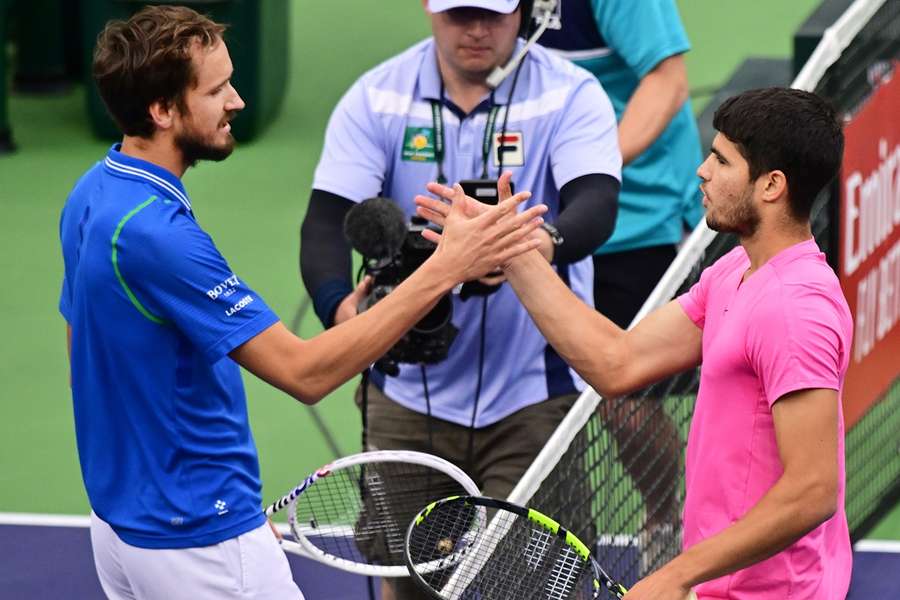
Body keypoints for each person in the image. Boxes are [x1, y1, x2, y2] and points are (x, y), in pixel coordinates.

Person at [58, 6, 545, 599]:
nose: (236, 101)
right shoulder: (158, 235)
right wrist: (448, 268)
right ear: (162, 111)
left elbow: (82, 344)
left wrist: (199, 498)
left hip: (124, 524)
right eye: (216, 91)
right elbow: (305, 371)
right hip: (195, 536)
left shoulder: (94, 192)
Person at [416, 87, 852, 599]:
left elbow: (813, 490)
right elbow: (617, 362)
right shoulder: (736, 269)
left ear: (771, 185)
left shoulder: (796, 308)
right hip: (724, 586)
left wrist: (676, 574)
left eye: (721, 159)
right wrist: (509, 248)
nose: (702, 171)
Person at [300, 1, 620, 596]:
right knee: (408, 580)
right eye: (459, 13)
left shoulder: (571, 94)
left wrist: (532, 248)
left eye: (493, 14)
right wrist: (345, 315)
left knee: (540, 587)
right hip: (404, 397)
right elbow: (324, 224)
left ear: (524, 10)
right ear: (430, 7)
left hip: (534, 395)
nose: (476, 30)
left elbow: (596, 204)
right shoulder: (377, 98)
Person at [539, 0, 705, 557]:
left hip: (635, 218)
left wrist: (590, 167)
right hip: (530, 219)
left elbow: (668, 80)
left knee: (622, 397)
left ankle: (665, 521)